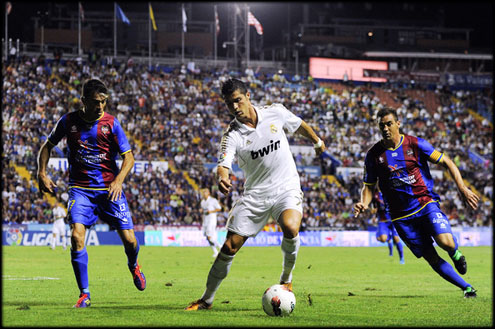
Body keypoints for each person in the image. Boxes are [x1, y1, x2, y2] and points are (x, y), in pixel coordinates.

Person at [185, 78, 326, 310]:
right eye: (230, 105)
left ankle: (286, 280)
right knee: (229, 246)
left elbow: (299, 124)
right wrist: (223, 176)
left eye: (238, 101)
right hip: (255, 196)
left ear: (248, 96)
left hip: (285, 187)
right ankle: (207, 299)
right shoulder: (232, 135)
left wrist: (317, 141)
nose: (235, 108)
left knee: (291, 227)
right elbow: (223, 164)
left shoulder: (275, 113)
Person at [37, 79, 146, 308]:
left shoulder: (112, 124)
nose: (101, 107)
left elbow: (129, 157)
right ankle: (84, 294)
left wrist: (118, 180)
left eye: (104, 102)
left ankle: (133, 265)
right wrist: (42, 172)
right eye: (96, 102)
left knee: (130, 240)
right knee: (77, 236)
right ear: (83, 100)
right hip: (81, 190)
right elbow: (46, 146)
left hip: (109, 190)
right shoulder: (68, 121)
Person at [353, 107, 479, 298]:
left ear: (398, 123)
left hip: (424, 203)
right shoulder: (373, 155)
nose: (385, 128)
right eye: (382, 125)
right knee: (431, 257)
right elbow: (369, 186)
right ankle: (467, 288)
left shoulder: (416, 144)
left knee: (445, 243)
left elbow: (447, 162)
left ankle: (455, 253)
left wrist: (462, 187)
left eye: (389, 123)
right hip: (400, 216)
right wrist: (364, 202)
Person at [372, 190, 404, 264]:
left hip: (393, 219)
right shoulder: (375, 195)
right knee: (383, 239)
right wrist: (374, 214)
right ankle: (387, 237)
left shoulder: (391, 191)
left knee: (396, 239)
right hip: (383, 220)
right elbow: (375, 207)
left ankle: (401, 258)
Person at [200, 188, 222, 257]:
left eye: (205, 192)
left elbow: (219, 208)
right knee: (207, 237)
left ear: (208, 193)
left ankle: (221, 247)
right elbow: (204, 211)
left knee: (209, 236)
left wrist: (211, 211)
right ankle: (216, 252)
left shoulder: (213, 200)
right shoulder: (202, 202)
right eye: (203, 192)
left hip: (211, 220)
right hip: (205, 220)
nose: (204, 194)